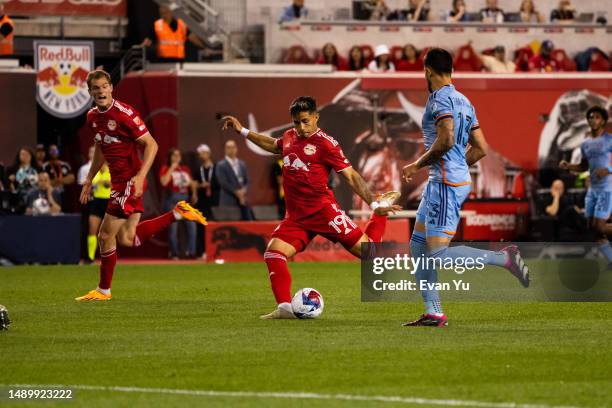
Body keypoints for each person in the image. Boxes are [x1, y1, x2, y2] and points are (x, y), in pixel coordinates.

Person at [221, 96, 401, 319]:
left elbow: (351, 176)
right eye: (297, 122)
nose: (302, 127)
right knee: (273, 253)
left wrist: (372, 202)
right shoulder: (289, 136)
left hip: (323, 212)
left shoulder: (326, 143)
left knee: (370, 254)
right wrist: (243, 131)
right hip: (296, 217)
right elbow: (273, 145)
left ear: (316, 117)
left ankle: (380, 210)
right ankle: (285, 308)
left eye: (306, 121)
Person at [400, 48, 529, 327]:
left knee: (439, 255)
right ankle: (433, 312)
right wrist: (457, 165)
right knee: (418, 246)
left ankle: (503, 258)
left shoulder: (440, 100)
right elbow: (481, 148)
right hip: (445, 182)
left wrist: (416, 166)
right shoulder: (464, 101)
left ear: (427, 70)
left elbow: (445, 140)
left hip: (445, 184)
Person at [75, 69, 207, 301]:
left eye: (104, 86)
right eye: (96, 88)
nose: (101, 91)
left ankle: (103, 290)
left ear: (111, 87)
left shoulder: (125, 114)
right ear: (90, 92)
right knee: (127, 238)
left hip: (129, 180)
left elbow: (152, 145)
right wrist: (90, 178)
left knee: (105, 235)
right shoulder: (92, 117)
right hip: (120, 181)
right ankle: (177, 213)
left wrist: (139, 176)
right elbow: (100, 148)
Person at [559, 106, 612, 263]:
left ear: (603, 121)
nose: (592, 120)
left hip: (606, 189)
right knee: (592, 229)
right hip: (592, 190)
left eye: (596, 117)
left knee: (600, 227)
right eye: (590, 117)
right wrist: (569, 166)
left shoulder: (609, 140)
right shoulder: (585, 144)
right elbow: (583, 166)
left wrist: (608, 169)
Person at [160, 148, 198, 259]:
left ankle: (191, 252)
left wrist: (194, 193)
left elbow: (192, 183)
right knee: (173, 228)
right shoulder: (166, 168)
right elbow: (164, 182)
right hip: (173, 200)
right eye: (174, 155)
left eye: (178, 155)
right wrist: (172, 168)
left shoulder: (185, 169)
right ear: (170, 157)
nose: (177, 157)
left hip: (185, 200)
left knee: (192, 226)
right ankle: (174, 252)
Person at [141, 4, 208, 62]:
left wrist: (204, 47)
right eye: (161, 13)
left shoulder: (181, 25)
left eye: (166, 13)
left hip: (178, 61)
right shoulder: (156, 25)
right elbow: (148, 40)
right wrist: (143, 45)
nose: (164, 15)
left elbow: (192, 37)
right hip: (162, 61)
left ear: (171, 13)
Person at [216, 139, 253, 221]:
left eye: (233, 147)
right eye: (229, 147)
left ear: (236, 149)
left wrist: (244, 190)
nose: (231, 149)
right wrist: (237, 192)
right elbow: (223, 183)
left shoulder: (242, 164)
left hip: (243, 200)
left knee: (248, 224)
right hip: (228, 201)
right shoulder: (221, 165)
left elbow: (247, 180)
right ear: (225, 150)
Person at [84, 162, 111, 262]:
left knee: (108, 233)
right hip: (96, 202)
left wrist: (108, 184)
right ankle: (90, 258)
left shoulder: (112, 170)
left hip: (109, 202)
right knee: (92, 230)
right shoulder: (94, 172)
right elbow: (89, 186)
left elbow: (117, 185)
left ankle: (108, 257)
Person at [193, 144, 216, 221]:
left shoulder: (216, 167)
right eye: (200, 154)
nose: (201, 156)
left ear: (208, 153)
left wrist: (210, 184)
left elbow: (220, 183)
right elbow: (194, 184)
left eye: (203, 153)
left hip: (215, 199)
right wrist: (200, 185)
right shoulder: (198, 169)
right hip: (202, 200)